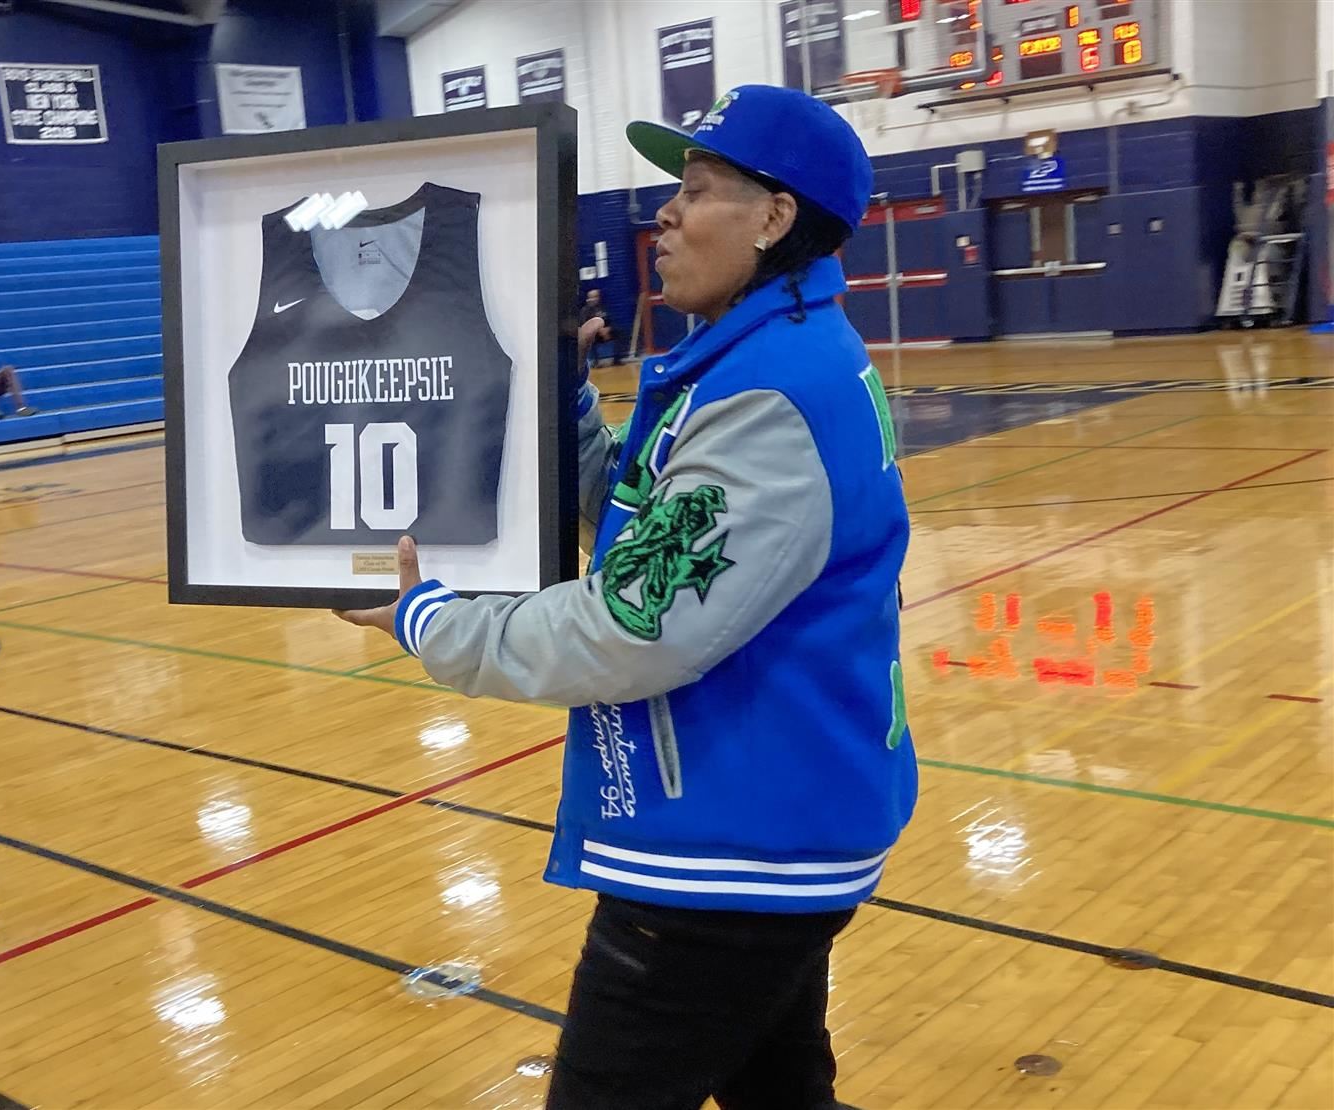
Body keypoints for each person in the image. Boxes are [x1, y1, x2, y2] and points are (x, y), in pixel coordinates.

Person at [336, 84, 914, 1110]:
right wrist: (562, 391)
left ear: (776, 218)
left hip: (730, 852)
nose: (667, 214)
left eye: (696, 191)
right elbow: (653, 527)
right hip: (767, 820)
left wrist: (436, 620)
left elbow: (633, 625)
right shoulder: (756, 359)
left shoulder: (770, 394)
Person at [579, 288, 620, 365]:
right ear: (588, 299)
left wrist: (608, 329)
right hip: (591, 338)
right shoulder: (584, 311)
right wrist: (598, 329)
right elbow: (584, 326)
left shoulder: (603, 308)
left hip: (603, 337)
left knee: (616, 332)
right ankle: (591, 359)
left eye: (595, 297)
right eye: (591, 297)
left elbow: (610, 322)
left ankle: (609, 356)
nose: (593, 299)